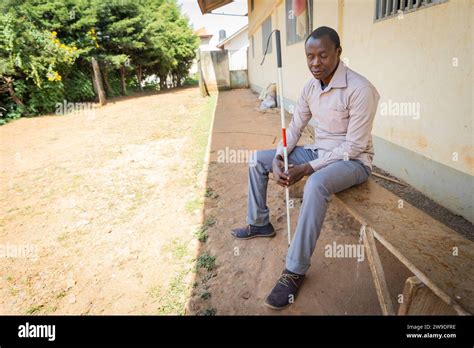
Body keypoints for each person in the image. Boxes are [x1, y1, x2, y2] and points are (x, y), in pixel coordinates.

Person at [231, 26, 380, 310]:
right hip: (319, 152)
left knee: (316, 183)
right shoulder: (311, 87)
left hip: (353, 161)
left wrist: (308, 168)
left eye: (322, 55)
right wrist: (279, 154)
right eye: (309, 56)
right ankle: (260, 222)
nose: (315, 63)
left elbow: (354, 146)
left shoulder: (361, 90)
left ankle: (294, 270)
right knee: (257, 160)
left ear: (338, 52)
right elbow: (295, 126)